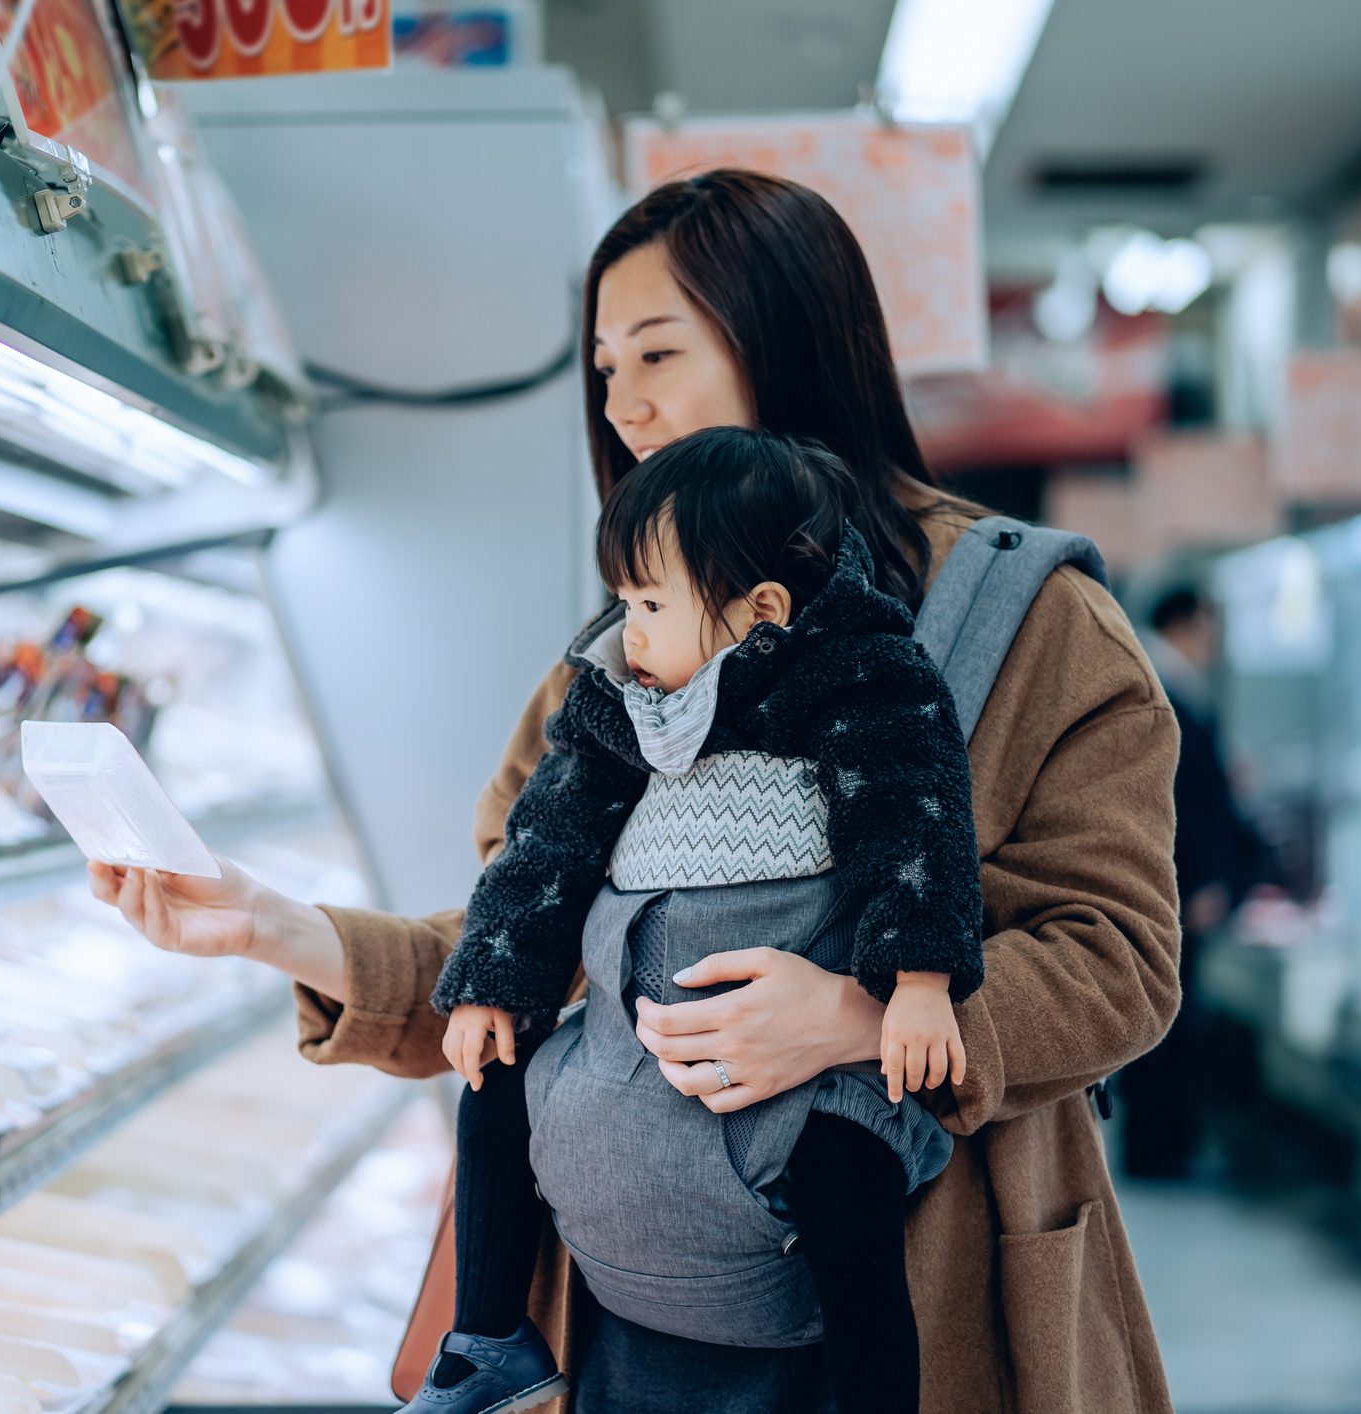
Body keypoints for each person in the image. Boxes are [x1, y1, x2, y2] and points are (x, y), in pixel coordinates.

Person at [91, 169, 1183, 1414]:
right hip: (629, 1321)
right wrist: (272, 924)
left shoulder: (1039, 619)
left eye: (658, 351)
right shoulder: (625, 655)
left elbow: (1123, 957)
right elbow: (529, 940)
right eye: (603, 368)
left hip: (941, 1313)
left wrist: (861, 1015)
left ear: (787, 339)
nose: (627, 403)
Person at [409, 425, 982, 1414]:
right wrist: (492, 981)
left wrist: (918, 984)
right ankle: (489, 1336)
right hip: (617, 1070)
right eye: (622, 602)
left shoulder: (861, 676)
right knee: (493, 1076)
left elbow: (917, 817)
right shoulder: (618, 704)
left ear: (760, 610)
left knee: (852, 1171)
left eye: (647, 604)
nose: (626, 631)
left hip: (801, 1091)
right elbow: (543, 839)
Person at [1120, 584, 1265, 1179]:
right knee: (1167, 1019)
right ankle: (1160, 1148)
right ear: (1186, 621)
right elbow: (1177, 800)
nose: (1213, 640)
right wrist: (1201, 880)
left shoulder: (1164, 681)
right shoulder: (1163, 687)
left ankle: (1163, 1144)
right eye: (1209, 624)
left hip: (1179, 886)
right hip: (1182, 890)